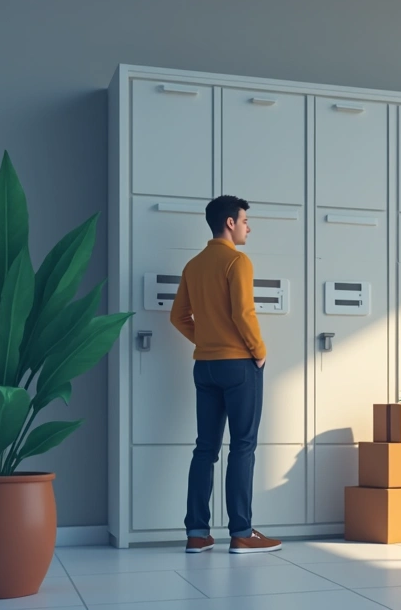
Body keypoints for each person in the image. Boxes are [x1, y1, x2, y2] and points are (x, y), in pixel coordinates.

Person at [170, 195, 282, 554]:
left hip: (204, 366)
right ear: (230, 223)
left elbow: (178, 316)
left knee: (205, 448)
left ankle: (197, 534)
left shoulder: (194, 264)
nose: (249, 226)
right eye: (245, 220)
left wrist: (204, 339)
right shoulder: (237, 261)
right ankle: (242, 532)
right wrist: (259, 353)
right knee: (243, 447)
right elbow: (243, 313)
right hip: (239, 365)